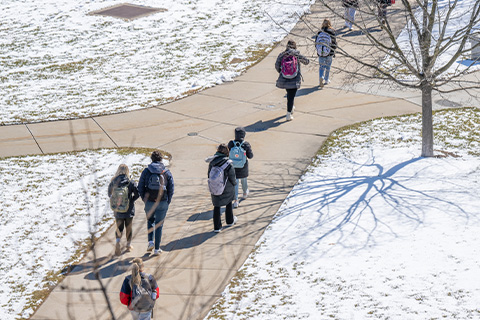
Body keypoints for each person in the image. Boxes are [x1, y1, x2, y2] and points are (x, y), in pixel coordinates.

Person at [138, 150, 174, 256]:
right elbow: (171, 188)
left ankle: (150, 242)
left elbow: (140, 187)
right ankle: (157, 248)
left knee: (150, 221)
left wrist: (145, 199)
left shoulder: (146, 171)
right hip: (162, 202)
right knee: (159, 224)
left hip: (149, 201)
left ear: (151, 159)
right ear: (161, 159)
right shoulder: (166, 172)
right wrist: (168, 200)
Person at [108, 164, 139, 256]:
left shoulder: (113, 182)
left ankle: (118, 241)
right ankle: (128, 245)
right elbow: (137, 194)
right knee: (128, 228)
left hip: (118, 210)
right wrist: (131, 201)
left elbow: (109, 194)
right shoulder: (130, 182)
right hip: (128, 210)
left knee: (119, 228)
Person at [275, 40, 310, 121]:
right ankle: (288, 114)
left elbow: (277, 65)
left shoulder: (282, 55)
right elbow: (306, 61)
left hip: (285, 78)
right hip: (294, 78)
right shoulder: (296, 54)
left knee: (289, 95)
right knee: (291, 96)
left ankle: (291, 108)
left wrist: (281, 72)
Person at [207, 143, 237, 232]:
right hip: (226, 187)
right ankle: (230, 221)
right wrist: (234, 184)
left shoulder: (212, 163)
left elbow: (209, 174)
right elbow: (232, 176)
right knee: (228, 204)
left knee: (216, 206)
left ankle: (217, 227)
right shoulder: (228, 163)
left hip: (215, 187)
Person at [227, 127, 253, 208]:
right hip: (243, 167)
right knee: (244, 181)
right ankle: (245, 193)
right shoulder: (246, 144)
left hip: (233, 167)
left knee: (235, 183)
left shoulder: (231, 143)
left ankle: (235, 200)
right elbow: (250, 156)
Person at [316, 19, 337, 87]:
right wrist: (333, 51)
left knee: (321, 66)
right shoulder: (332, 32)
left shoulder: (319, 32)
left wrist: (318, 50)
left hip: (321, 52)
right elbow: (334, 43)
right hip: (329, 52)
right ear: (329, 24)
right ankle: (326, 79)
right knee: (328, 66)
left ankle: (320, 77)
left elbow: (316, 43)